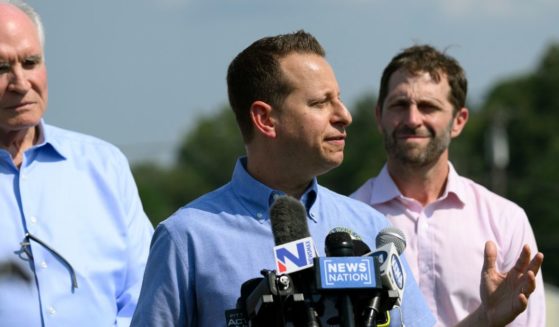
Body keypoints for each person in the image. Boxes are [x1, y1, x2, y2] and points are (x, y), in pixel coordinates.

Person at [131, 30, 436, 326]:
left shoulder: (370, 227)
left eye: (339, 99)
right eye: (320, 103)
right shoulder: (187, 239)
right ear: (265, 119)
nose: (344, 115)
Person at [351, 44, 545, 326]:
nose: (413, 119)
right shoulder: (346, 222)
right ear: (379, 115)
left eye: (428, 106)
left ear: (459, 121)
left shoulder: (505, 221)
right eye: (400, 105)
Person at [0, 1, 154, 326]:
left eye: (31, 62)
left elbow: (146, 294)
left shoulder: (103, 165)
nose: (20, 82)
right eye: (0, 68)